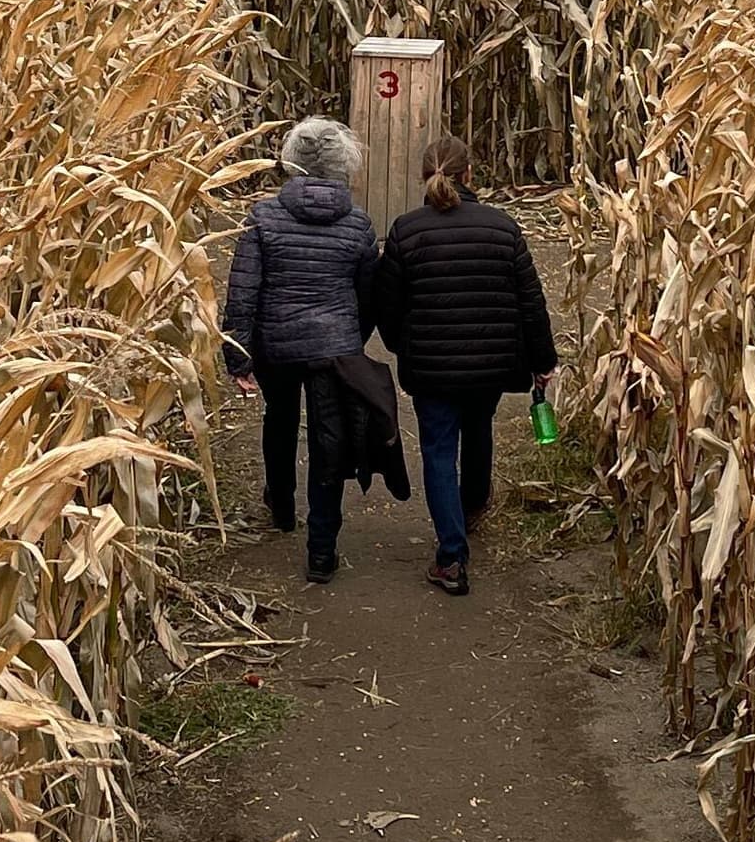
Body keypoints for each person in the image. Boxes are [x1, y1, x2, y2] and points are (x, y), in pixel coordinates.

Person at [372, 131, 556, 596]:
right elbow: (529, 302)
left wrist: (405, 347)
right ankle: (472, 507)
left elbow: (387, 307)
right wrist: (543, 360)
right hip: (491, 365)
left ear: (424, 177)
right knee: (478, 430)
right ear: (470, 174)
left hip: (431, 367)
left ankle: (451, 557)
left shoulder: (405, 230)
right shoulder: (502, 227)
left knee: (437, 449)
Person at [221, 116, 381, 583]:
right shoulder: (357, 224)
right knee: (330, 439)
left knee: (280, 419)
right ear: (343, 166)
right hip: (333, 349)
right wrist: (352, 337)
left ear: (291, 163)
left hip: (276, 344)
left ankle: (282, 505)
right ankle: (322, 549)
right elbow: (368, 293)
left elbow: (243, 291)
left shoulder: (263, 217)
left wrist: (240, 354)